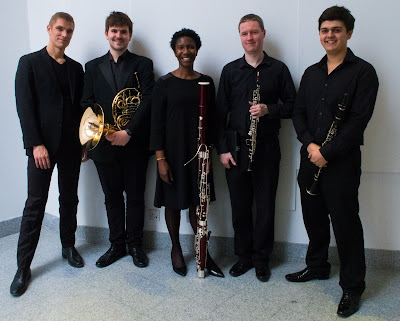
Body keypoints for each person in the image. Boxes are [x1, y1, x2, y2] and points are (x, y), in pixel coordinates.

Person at [286, 6, 379, 318]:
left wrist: (327, 152)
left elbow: (357, 123)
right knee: (313, 219)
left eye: (336, 30)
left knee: (346, 224)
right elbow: (298, 112)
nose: (330, 35)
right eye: (325, 30)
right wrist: (312, 145)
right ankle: (317, 267)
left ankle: (353, 286)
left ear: (349, 33)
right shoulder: (312, 73)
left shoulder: (363, 73)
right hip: (310, 157)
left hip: (341, 163)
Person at [216, 14, 296, 282]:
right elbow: (219, 115)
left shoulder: (278, 69)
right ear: (240, 37)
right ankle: (244, 257)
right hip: (236, 149)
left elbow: (294, 106)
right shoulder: (229, 71)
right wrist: (223, 149)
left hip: (267, 148)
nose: (249, 38)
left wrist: (268, 109)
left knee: (264, 207)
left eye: (254, 32)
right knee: (239, 206)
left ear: (263, 33)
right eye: (244, 33)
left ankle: (262, 259)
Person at [11, 12, 85, 297]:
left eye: (69, 30)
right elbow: (24, 106)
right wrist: (35, 144)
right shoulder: (29, 63)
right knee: (35, 204)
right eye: (59, 29)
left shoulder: (76, 68)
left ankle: (68, 245)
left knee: (70, 198)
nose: (63, 34)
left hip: (70, 145)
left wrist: (83, 143)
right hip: (41, 147)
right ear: (49, 29)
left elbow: (80, 109)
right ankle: (23, 266)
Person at [81, 12, 154, 269]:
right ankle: (116, 244)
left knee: (134, 196)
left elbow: (148, 99)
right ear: (106, 33)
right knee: (111, 197)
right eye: (114, 31)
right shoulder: (91, 67)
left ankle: (135, 244)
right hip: (103, 145)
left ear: (129, 35)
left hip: (134, 143)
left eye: (123, 31)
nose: (118, 35)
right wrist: (101, 134)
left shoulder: (143, 64)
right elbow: (86, 104)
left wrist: (128, 132)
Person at [150, 28, 224, 277]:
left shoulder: (206, 82)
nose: (186, 52)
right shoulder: (164, 83)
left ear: (197, 50)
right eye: (181, 47)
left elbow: (213, 122)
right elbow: (156, 124)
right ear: (174, 51)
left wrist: (210, 157)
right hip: (171, 154)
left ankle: (202, 250)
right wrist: (161, 159)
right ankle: (175, 248)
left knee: (197, 203)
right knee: (172, 203)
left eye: (190, 47)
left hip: (199, 155)